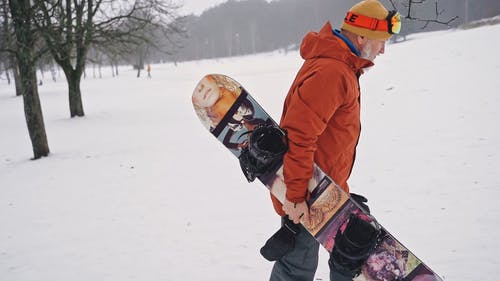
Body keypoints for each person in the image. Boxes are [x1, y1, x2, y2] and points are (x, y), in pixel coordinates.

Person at [265, 1, 401, 280]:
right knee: (297, 267)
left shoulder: (342, 67)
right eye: (380, 42)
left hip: (322, 189)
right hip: (306, 191)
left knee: (343, 257)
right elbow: (299, 136)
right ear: (361, 36)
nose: (383, 50)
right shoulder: (332, 72)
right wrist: (296, 197)